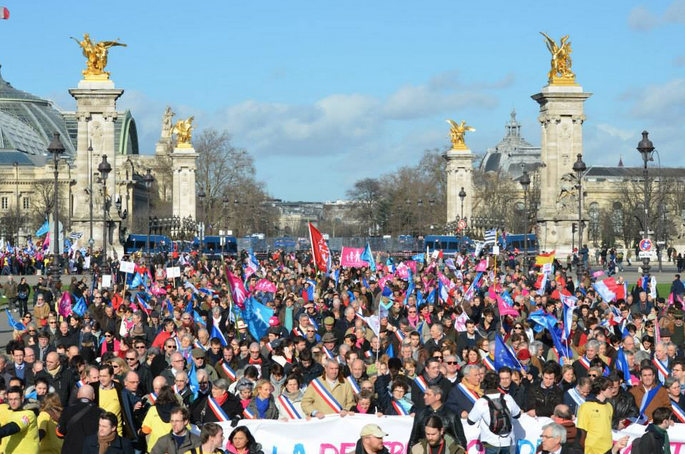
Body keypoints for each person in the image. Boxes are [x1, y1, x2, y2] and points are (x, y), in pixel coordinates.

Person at [466, 371, 521, 454]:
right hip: (508, 441)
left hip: (491, 442)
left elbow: (470, 421)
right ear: (498, 382)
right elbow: (517, 415)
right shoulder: (508, 398)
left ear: (484, 384)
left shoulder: (481, 402)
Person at [56, 384, 103, 454]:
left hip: (70, 450)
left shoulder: (67, 410)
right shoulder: (101, 412)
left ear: (78, 395)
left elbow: (59, 433)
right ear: (93, 396)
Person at [576, 376, 614, 454]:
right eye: (610, 388)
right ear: (601, 389)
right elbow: (581, 431)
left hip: (608, 448)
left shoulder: (609, 406)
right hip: (592, 449)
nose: (612, 391)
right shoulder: (586, 406)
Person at [0, 385, 40, 453]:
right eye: (10, 399)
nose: (13, 402)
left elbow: (13, 427)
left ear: (22, 398)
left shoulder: (29, 414)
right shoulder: (9, 411)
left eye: (16, 399)